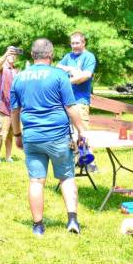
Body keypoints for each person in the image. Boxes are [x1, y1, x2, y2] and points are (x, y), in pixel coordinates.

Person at [10, 38, 87, 236]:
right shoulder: (58, 75)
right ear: (51, 55)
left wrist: (17, 134)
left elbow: (14, 111)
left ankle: (37, 226)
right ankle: (72, 221)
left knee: (36, 181)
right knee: (67, 177)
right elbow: (70, 107)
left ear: (32, 55)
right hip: (58, 137)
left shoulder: (19, 77)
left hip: (32, 136)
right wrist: (81, 131)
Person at [56, 31, 97, 171]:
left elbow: (85, 76)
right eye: (72, 43)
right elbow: (57, 68)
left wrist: (67, 81)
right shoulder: (68, 56)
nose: (75, 46)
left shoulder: (89, 57)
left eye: (77, 43)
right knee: (69, 132)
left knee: (82, 130)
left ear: (83, 43)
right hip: (66, 101)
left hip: (80, 100)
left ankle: (90, 162)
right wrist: (69, 69)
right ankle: (75, 159)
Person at [0, 46, 19, 163]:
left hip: (13, 107)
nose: (12, 56)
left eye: (14, 54)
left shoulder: (16, 71)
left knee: (10, 134)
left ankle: (8, 156)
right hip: (2, 106)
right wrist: (5, 54)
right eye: (10, 54)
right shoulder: (2, 68)